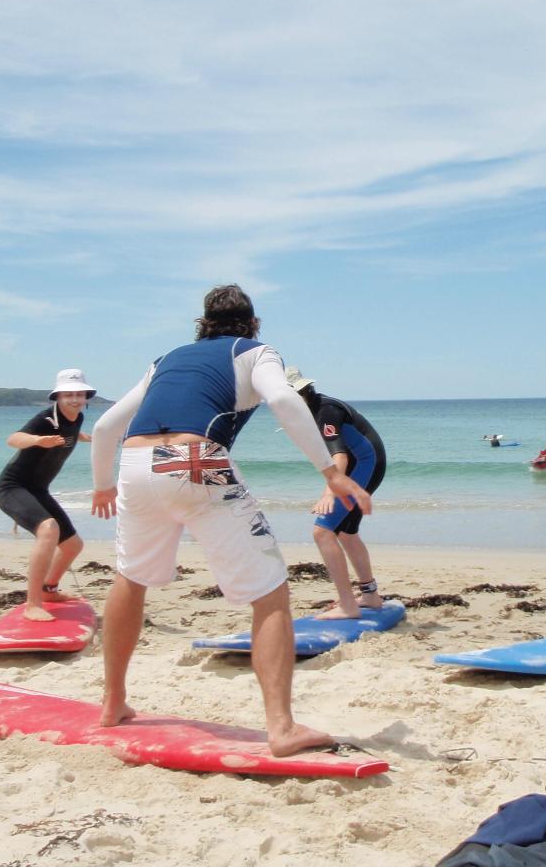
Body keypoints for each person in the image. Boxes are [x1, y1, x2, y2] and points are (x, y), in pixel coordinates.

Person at [90, 284, 372, 756]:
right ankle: (281, 728)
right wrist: (329, 471)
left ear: (202, 323)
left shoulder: (164, 360)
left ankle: (113, 702)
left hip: (134, 466)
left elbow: (103, 428)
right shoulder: (255, 351)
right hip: (197, 462)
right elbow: (284, 402)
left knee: (131, 577)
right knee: (270, 592)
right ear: (253, 321)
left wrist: (101, 485)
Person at [285, 366, 387, 619]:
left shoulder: (325, 412)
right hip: (363, 463)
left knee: (322, 532)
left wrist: (330, 493)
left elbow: (339, 456)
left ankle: (348, 605)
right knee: (346, 533)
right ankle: (370, 595)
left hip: (364, 463)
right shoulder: (313, 408)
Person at [0, 369, 95, 622]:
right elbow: (13, 439)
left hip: (38, 489)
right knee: (48, 529)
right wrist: (38, 440)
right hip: (13, 487)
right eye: (68, 394)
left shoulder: (78, 418)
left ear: (85, 396)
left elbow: (70, 434)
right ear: (58, 396)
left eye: (79, 394)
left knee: (73, 545)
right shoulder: (46, 419)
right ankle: (32, 603)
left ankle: (48, 590)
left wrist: (87, 438)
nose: (74, 399)